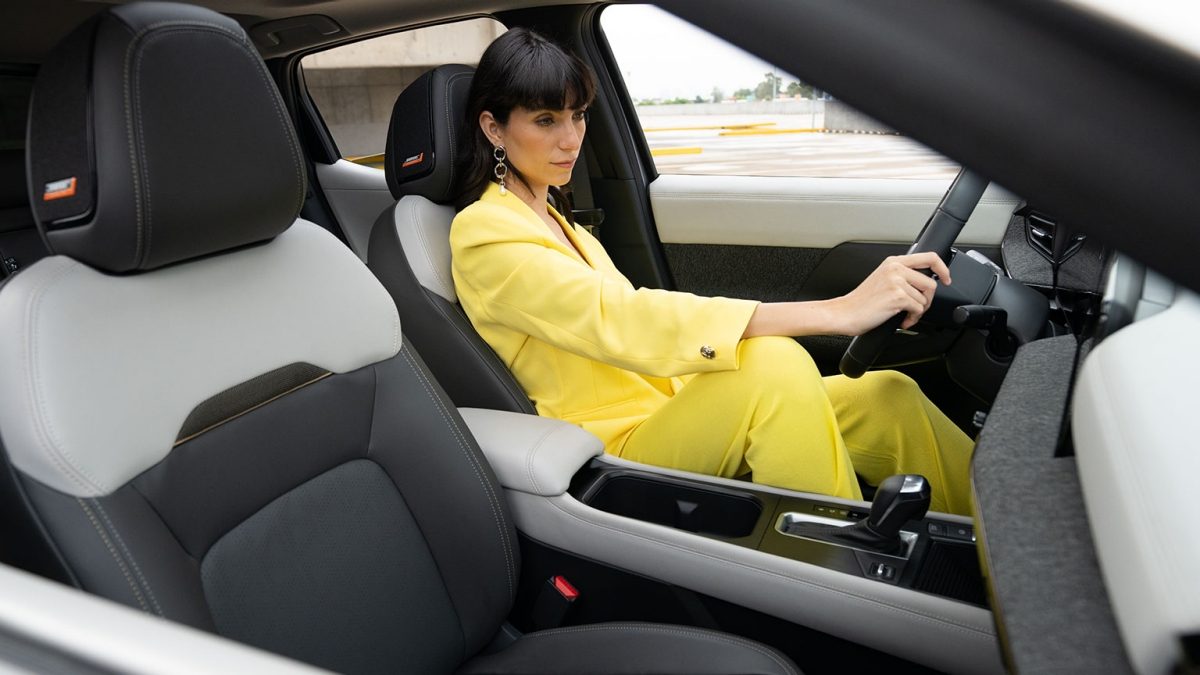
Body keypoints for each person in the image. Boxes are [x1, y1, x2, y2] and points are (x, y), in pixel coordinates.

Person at [449, 28, 974, 515]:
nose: (571, 140)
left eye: (578, 115)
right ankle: (840, 581)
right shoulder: (484, 233)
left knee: (887, 397)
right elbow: (621, 319)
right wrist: (837, 312)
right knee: (772, 367)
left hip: (671, 407)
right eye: (546, 121)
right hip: (614, 449)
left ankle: (1015, 544)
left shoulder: (564, 225)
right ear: (494, 127)